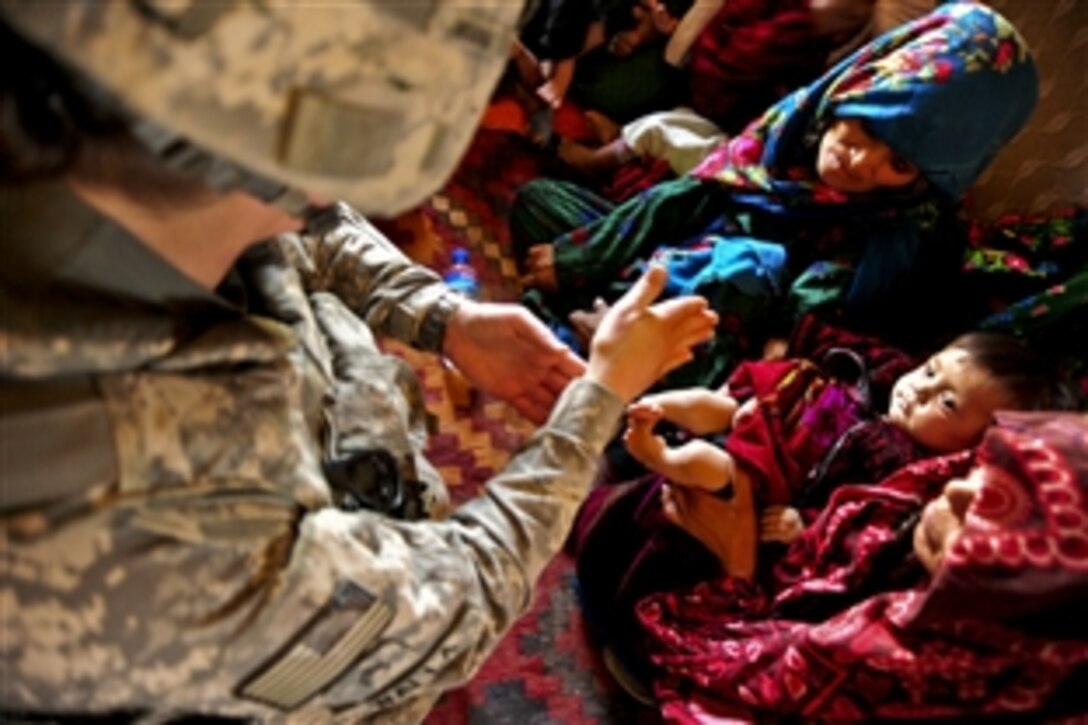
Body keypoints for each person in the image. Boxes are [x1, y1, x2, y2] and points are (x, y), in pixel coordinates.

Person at [0, 3, 720, 721]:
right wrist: (596, 399)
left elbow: (286, 214)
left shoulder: (115, 145)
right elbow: (449, 609)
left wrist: (446, 318)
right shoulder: (160, 513)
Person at [512, 2, 1039, 390]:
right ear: (861, 87)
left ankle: (609, 343)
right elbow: (692, 196)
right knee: (538, 203)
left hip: (722, 328)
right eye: (869, 128)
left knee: (748, 268)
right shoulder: (800, 121)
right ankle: (599, 331)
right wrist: (588, 255)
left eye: (898, 164)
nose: (860, 162)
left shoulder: (909, 226)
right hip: (666, 263)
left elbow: (796, 321)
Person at [637, 411, 1088, 720]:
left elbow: (739, 664)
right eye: (987, 467)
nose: (955, 492)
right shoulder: (915, 495)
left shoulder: (939, 671)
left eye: (999, 512)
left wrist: (735, 559)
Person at [622, 327, 1068, 579]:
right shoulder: (886, 379)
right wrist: (788, 359)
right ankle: (646, 409)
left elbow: (855, 518)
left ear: (975, 449)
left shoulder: (904, 471)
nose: (920, 390)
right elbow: (838, 343)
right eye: (931, 370)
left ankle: (655, 451)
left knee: (717, 469)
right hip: (768, 418)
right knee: (715, 405)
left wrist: (806, 526)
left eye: (947, 404)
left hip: (773, 477)